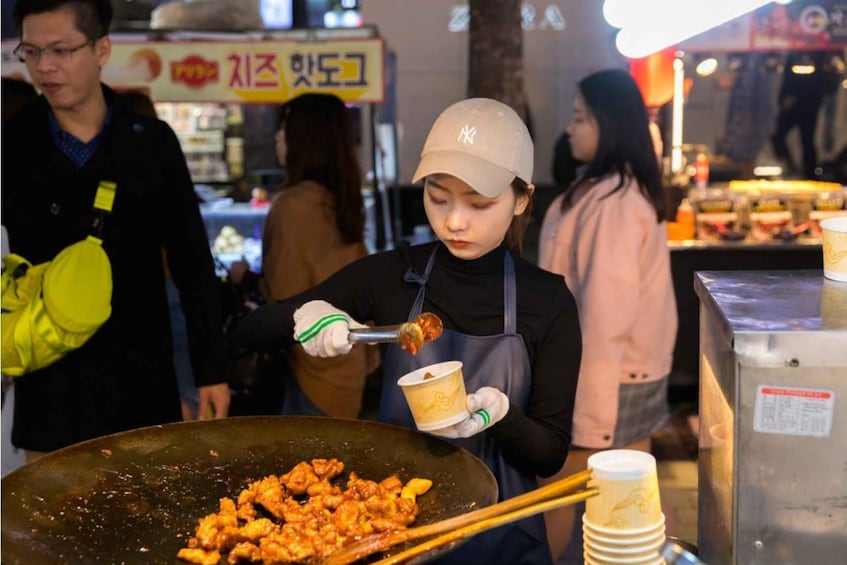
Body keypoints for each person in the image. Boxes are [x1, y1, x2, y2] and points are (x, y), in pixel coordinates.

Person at [237, 98, 582, 564]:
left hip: (503, 536)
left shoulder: (547, 302)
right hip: (397, 528)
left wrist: (500, 415)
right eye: (438, 198)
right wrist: (309, 317)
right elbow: (249, 331)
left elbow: (549, 455)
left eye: (479, 203)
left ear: (522, 199)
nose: (454, 221)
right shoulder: (394, 277)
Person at [2, 0, 230, 458]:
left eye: (61, 50)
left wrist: (212, 370)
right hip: (50, 392)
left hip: (140, 384)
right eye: (30, 52)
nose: (44, 67)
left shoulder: (152, 143)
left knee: (143, 520)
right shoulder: (11, 144)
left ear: (101, 48)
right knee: (53, 524)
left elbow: (193, 265)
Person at [537, 68, 678, 562]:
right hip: (621, 372)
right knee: (627, 498)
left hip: (607, 378)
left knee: (556, 492)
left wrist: (589, 420)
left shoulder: (616, 202)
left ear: (609, 124)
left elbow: (605, 316)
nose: (570, 128)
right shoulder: (610, 190)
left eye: (580, 118)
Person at [231, 93, 374, 418]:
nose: (277, 136)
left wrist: (246, 278)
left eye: (285, 128)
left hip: (311, 370)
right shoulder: (344, 200)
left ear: (305, 140)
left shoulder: (292, 206)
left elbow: (283, 300)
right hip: (349, 364)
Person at [771, 51, 828, 179]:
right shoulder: (793, 54)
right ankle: (789, 167)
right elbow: (787, 78)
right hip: (791, 107)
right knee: (778, 136)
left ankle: (810, 173)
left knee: (807, 141)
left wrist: (796, 96)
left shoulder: (820, 56)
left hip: (808, 106)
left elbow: (820, 82)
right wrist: (783, 99)